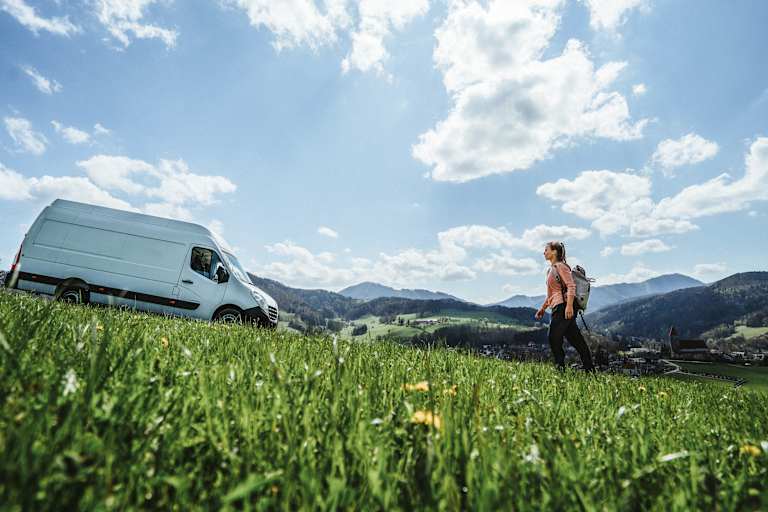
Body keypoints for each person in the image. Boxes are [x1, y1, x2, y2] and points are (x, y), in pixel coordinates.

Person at [535, 241, 595, 372]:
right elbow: (551, 294)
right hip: (557, 306)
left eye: (546, 250)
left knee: (553, 337)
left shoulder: (561, 266)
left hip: (563, 307)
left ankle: (560, 368)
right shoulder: (550, 270)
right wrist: (543, 308)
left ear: (554, 252)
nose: (544, 252)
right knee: (576, 340)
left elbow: (571, 286)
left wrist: (569, 306)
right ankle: (590, 370)